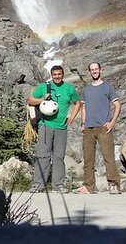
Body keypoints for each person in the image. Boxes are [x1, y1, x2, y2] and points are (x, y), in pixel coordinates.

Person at [27, 65, 81, 193]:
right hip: (45, 125)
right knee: (42, 155)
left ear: (62, 74)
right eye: (55, 74)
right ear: (52, 75)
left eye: (59, 74)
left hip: (62, 127)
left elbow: (77, 102)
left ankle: (58, 185)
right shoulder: (44, 87)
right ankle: (38, 185)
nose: (57, 76)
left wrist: (72, 117)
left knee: (59, 157)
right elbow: (30, 100)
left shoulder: (69, 89)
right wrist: (41, 99)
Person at [74, 62, 122, 195]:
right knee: (88, 159)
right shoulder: (86, 90)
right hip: (88, 128)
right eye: (92, 70)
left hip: (103, 128)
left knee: (109, 157)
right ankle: (88, 186)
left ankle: (114, 185)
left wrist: (112, 122)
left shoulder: (107, 88)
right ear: (89, 72)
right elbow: (84, 108)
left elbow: (117, 105)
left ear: (101, 70)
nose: (94, 71)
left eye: (96, 69)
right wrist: (82, 124)